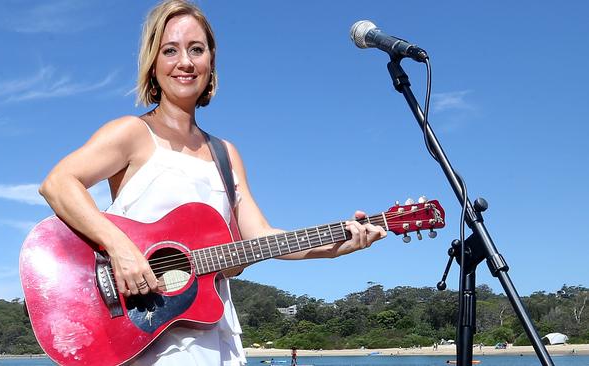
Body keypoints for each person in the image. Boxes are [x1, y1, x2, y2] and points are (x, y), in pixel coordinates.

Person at [38, 0, 387, 365]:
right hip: (147, 341)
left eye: (196, 49)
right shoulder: (131, 133)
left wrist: (336, 244)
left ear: (211, 61)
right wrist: (120, 248)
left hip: (216, 340)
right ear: (153, 64)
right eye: (170, 50)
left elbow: (261, 238)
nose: (185, 62)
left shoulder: (226, 153)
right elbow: (59, 183)